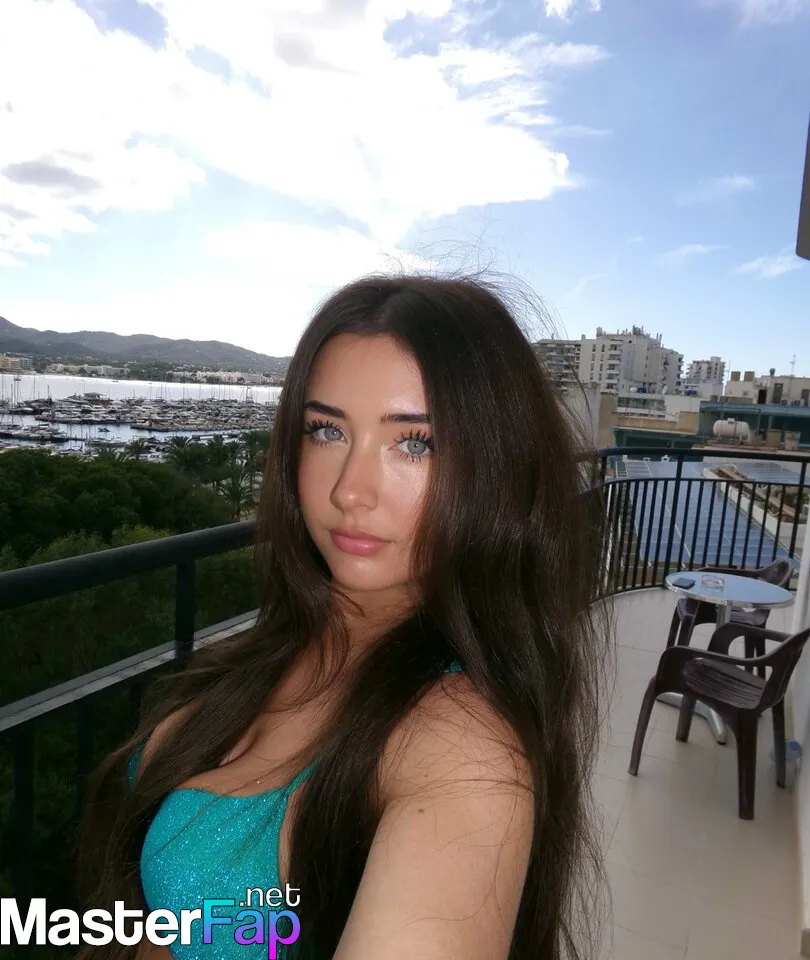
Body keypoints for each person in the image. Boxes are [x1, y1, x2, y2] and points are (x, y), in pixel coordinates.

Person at [77, 273, 609, 960]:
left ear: (499, 469)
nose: (349, 491)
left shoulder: (463, 749)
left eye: (416, 443)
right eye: (326, 430)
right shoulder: (292, 638)